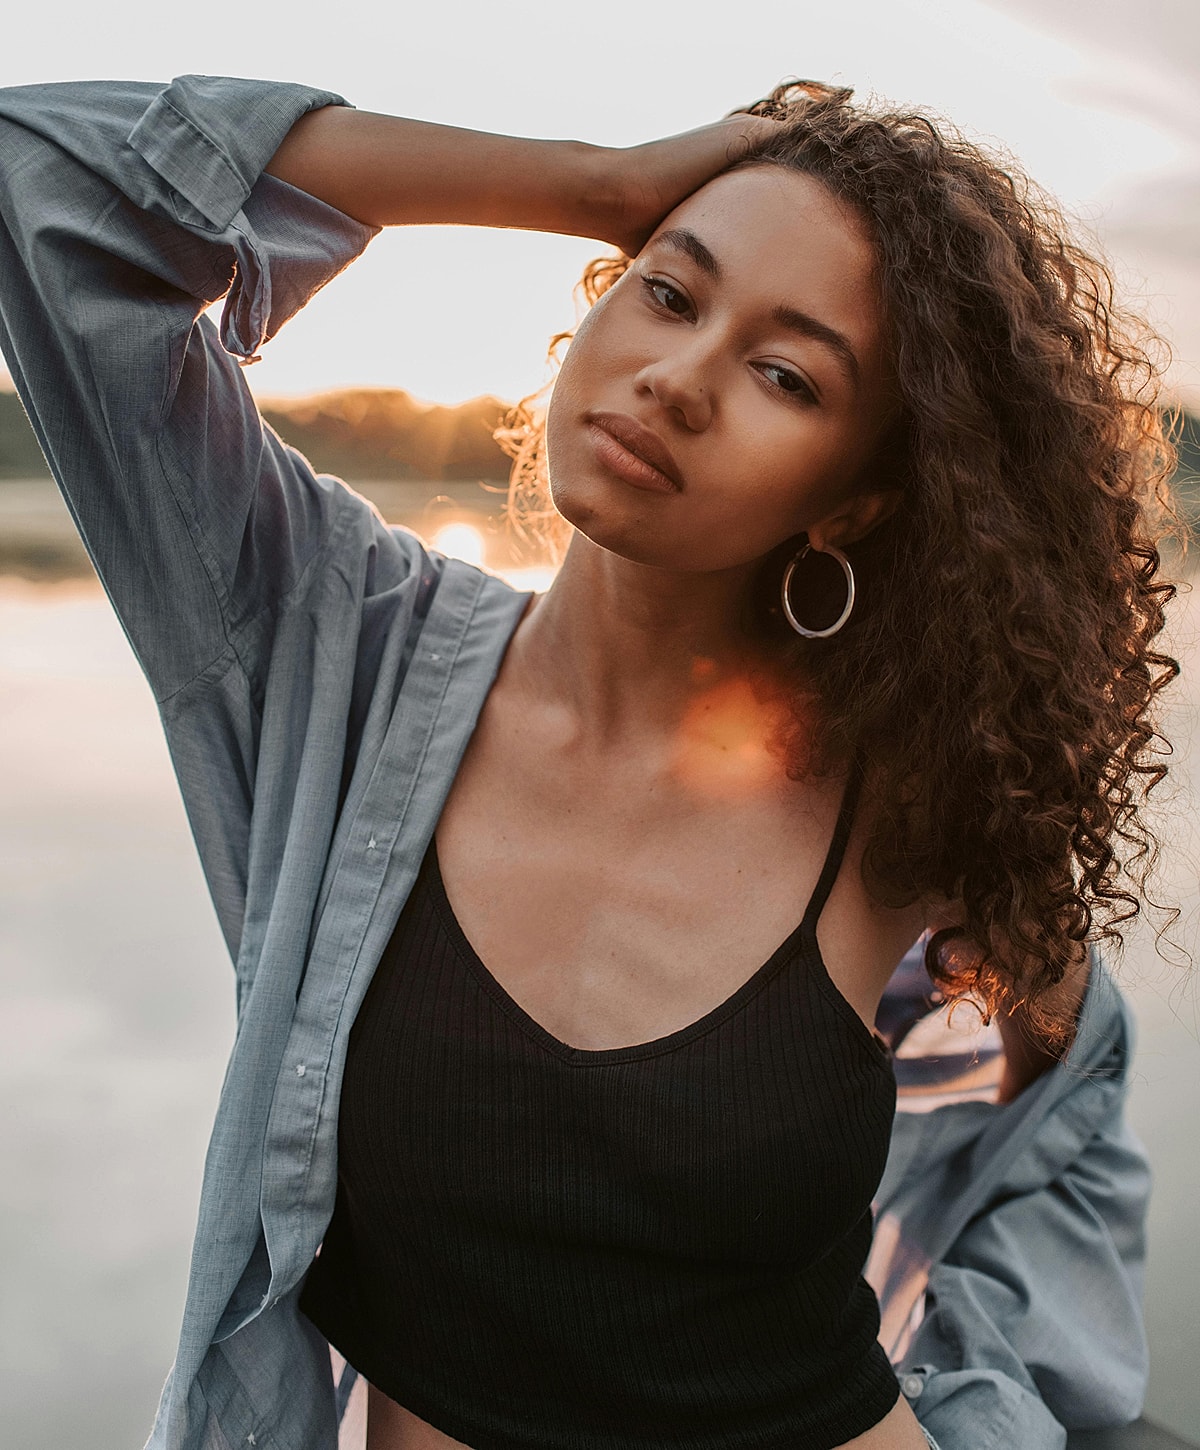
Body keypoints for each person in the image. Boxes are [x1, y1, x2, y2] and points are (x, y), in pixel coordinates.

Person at [0, 71, 1176, 1450]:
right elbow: (44, 186)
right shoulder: (329, 645)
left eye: (786, 375)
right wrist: (594, 183)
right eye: (669, 292)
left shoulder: (908, 797)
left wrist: (998, 1401)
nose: (678, 379)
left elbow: (1071, 1082)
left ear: (851, 496)